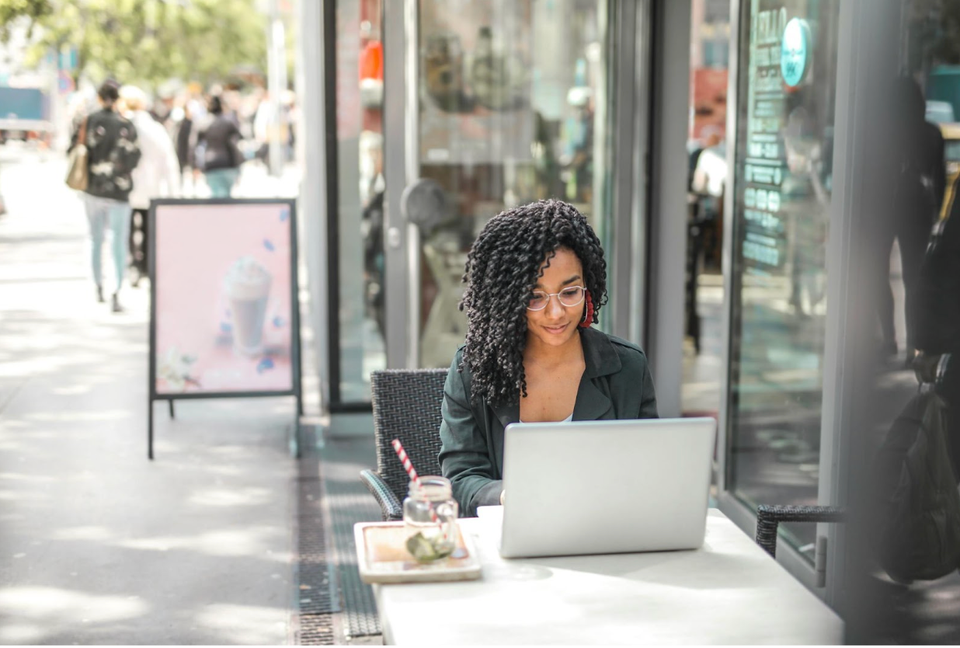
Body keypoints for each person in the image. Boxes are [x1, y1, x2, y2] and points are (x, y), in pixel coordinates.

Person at [438, 199, 659, 516]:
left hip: (605, 535)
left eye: (570, 293)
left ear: (589, 287)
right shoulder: (473, 369)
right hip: (508, 541)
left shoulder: (627, 368)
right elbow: (460, 479)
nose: (556, 313)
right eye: (534, 297)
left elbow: (648, 473)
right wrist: (505, 495)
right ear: (508, 300)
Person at [69, 79, 141, 313]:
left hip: (93, 189)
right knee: (118, 241)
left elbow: (74, 149)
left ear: (100, 97)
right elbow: (134, 158)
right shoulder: (126, 125)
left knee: (95, 238)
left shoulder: (88, 121)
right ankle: (116, 289)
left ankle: (98, 284)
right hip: (119, 191)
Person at [119, 85, 181, 286]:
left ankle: (132, 265)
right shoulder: (154, 127)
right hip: (151, 187)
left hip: (125, 187)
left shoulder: (121, 125)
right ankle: (144, 264)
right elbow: (169, 160)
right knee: (147, 227)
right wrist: (173, 191)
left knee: (126, 228)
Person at [196, 95, 243, 197]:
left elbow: (194, 144)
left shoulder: (203, 123)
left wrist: (194, 165)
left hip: (212, 163)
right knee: (225, 196)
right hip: (227, 162)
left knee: (217, 196)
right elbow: (237, 140)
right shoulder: (227, 123)